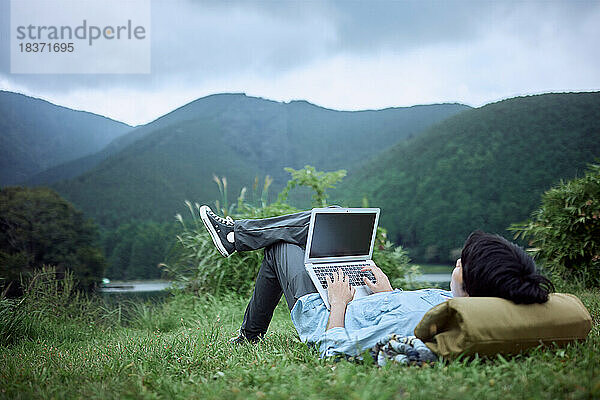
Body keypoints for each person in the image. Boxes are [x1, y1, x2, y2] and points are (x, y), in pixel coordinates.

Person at [199, 206, 554, 358]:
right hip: (368, 296)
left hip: (330, 312)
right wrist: (388, 292)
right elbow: (401, 310)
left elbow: (334, 348)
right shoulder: (452, 302)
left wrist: (338, 303)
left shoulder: (436, 323)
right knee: (335, 215)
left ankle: (237, 239)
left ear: (475, 282)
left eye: (464, 263)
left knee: (278, 247)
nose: (458, 262)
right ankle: (235, 239)